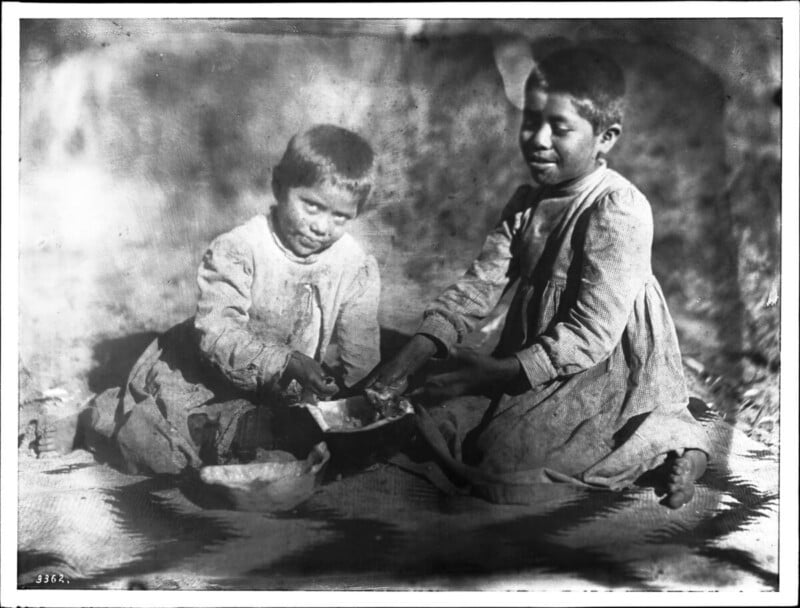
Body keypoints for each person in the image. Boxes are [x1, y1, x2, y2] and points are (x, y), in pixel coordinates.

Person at [367, 47, 711, 509]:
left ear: (605, 137)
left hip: (600, 370)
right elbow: (477, 288)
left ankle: (675, 445)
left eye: (560, 127)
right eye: (530, 120)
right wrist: (407, 358)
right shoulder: (526, 202)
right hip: (533, 358)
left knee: (500, 458)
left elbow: (593, 332)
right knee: (428, 417)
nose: (538, 139)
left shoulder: (618, 208)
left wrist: (496, 375)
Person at [39, 124, 381, 474]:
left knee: (300, 434)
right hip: (206, 376)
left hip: (283, 389)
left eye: (340, 217)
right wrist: (285, 361)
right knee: (162, 444)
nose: (322, 227)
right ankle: (92, 421)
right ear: (279, 186)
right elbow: (218, 334)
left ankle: (249, 436)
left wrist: (360, 403)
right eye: (311, 206)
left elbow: (361, 349)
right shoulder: (240, 249)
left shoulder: (353, 265)